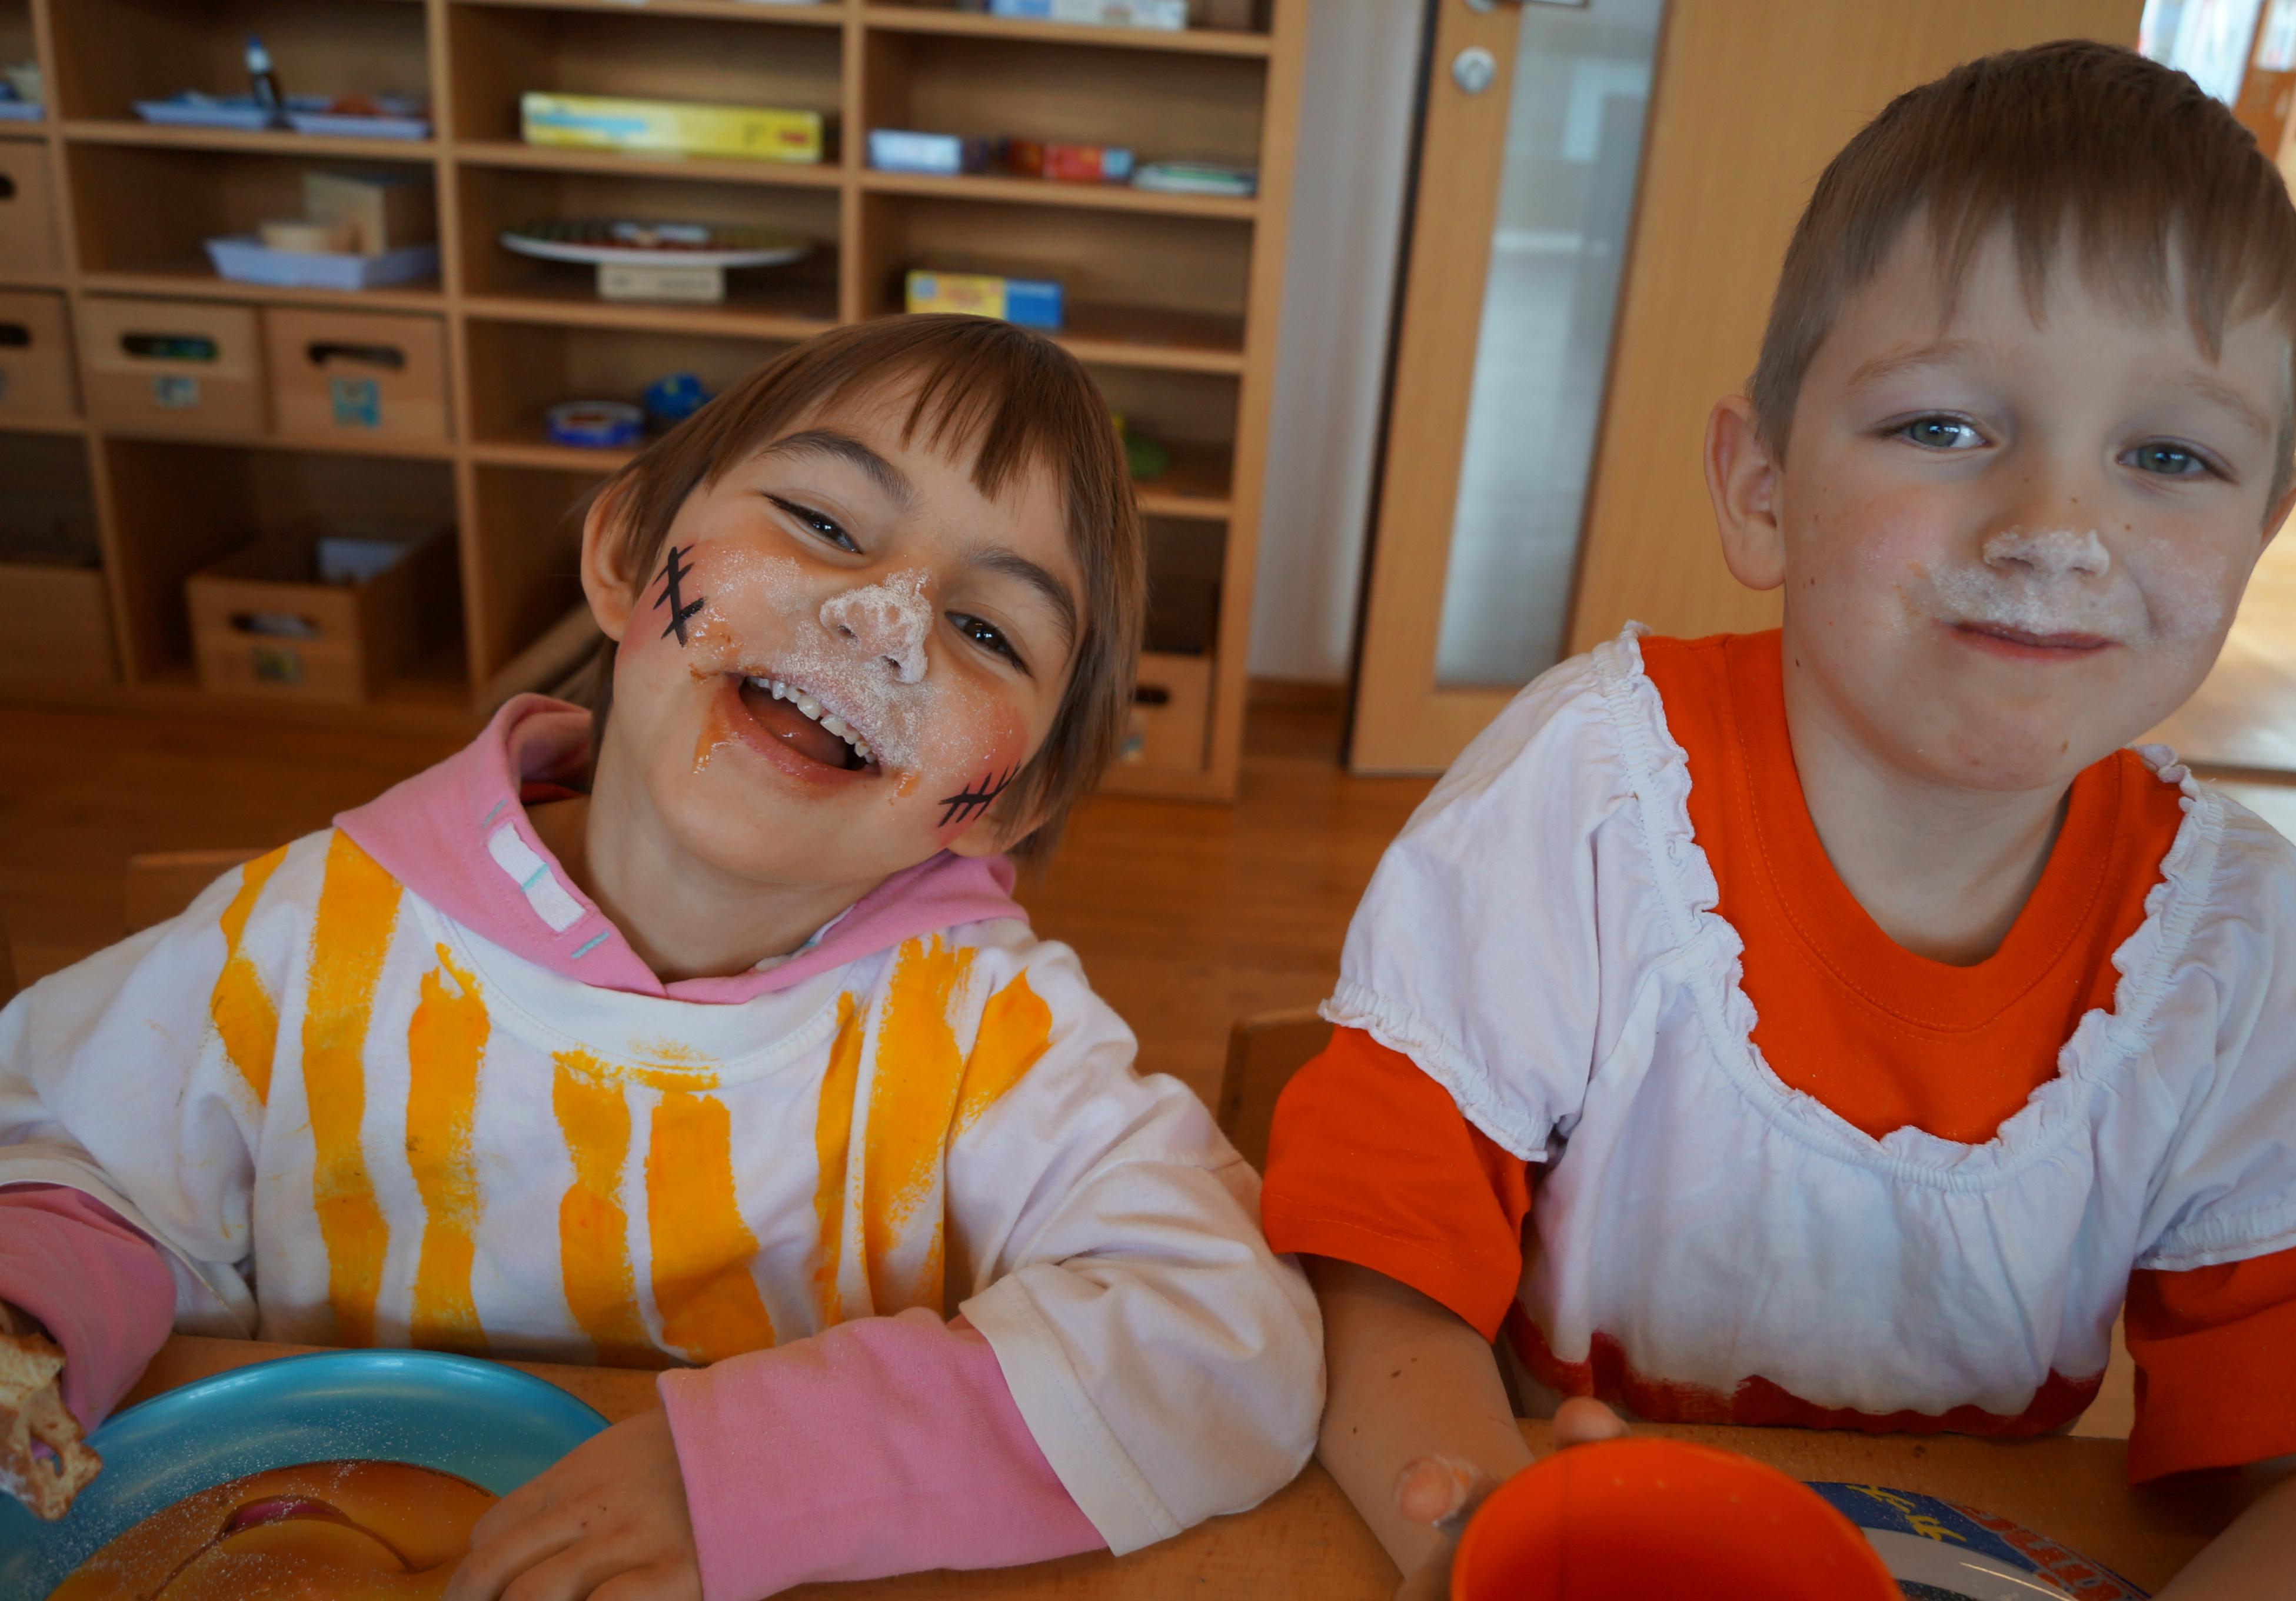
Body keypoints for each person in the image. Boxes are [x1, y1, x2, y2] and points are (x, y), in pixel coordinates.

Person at [1262, 41, 2296, 1600]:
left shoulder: (2240, 955)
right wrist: (1492, 1542)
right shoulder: (1588, 799)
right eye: (1944, 427)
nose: (2055, 529)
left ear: (2262, 529)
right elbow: (1371, 1258)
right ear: (1762, 488)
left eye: (2168, 456)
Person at [0, 315, 1320, 1599]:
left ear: (1011, 802)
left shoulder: (992, 1040)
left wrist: (760, 1473)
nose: (883, 620)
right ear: (629, 552)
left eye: (988, 630)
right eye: (823, 523)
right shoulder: (302, 939)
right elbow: (74, 1163)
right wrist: (31, 1313)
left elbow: (1227, 1343)